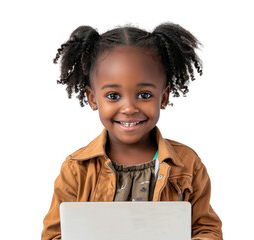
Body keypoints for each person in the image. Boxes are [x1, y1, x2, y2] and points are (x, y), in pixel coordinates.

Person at [42, 23, 223, 240]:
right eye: (113, 96)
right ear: (93, 98)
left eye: (145, 95)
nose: (129, 108)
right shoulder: (76, 170)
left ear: (163, 97)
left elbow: (206, 229)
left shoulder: (187, 164)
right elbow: (54, 235)